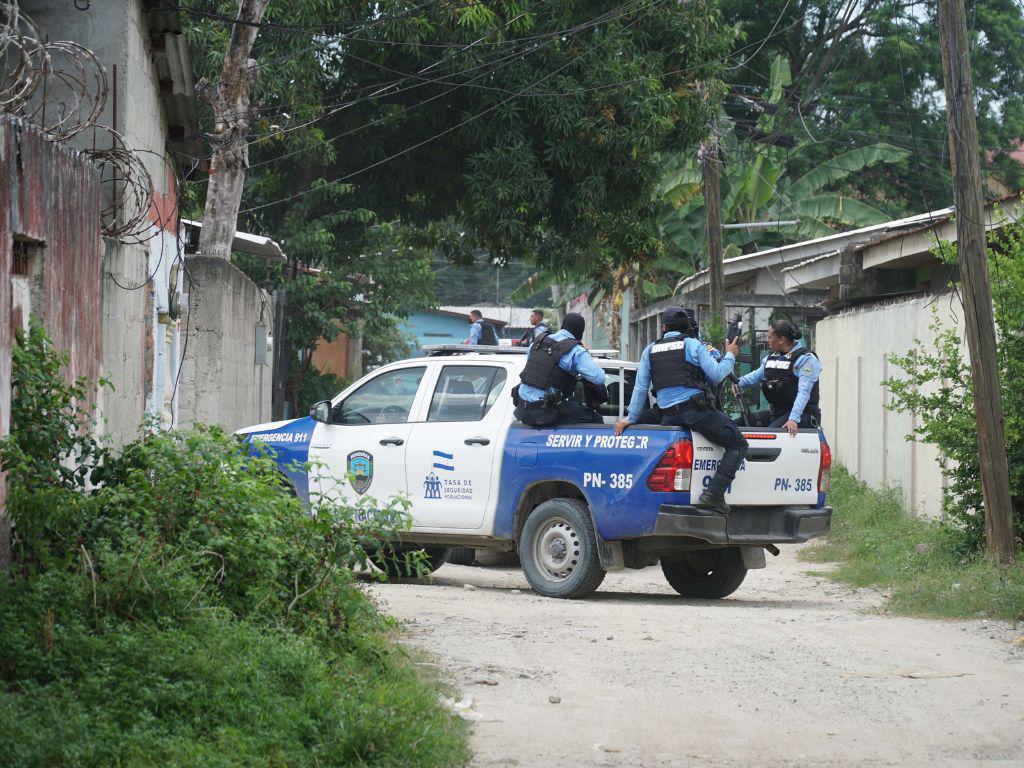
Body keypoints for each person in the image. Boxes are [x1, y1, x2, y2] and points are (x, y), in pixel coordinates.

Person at [614, 305, 746, 516]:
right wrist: (730, 355)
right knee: (738, 443)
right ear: (687, 326)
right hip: (695, 413)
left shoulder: (650, 349)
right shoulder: (693, 345)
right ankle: (713, 493)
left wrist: (630, 418)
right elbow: (718, 375)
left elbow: (640, 388)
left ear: (664, 327)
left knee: (645, 420)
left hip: (666, 414)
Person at [512, 313, 607, 427]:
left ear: (562, 327)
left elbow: (530, 358)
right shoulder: (576, 351)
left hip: (522, 408)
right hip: (545, 413)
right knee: (592, 416)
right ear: (580, 333)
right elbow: (599, 378)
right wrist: (585, 353)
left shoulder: (539, 341)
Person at [733, 318, 821, 437]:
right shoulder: (772, 358)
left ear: (781, 339)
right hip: (779, 413)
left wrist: (793, 419)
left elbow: (804, 392)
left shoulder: (806, 359)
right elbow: (755, 376)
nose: (767, 341)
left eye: (770, 337)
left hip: (803, 414)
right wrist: (737, 383)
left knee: (766, 435)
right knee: (737, 425)